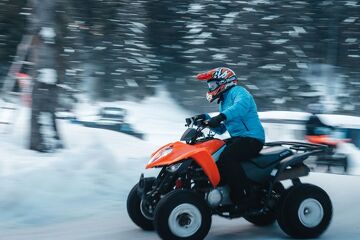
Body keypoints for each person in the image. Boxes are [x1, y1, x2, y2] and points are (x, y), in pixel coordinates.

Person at [194, 67, 265, 207]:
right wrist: (205, 119)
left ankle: (244, 195)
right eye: (209, 85)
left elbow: (240, 107)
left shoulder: (239, 92)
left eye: (213, 85)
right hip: (238, 139)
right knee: (213, 153)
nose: (211, 88)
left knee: (227, 158)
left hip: (252, 138)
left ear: (224, 82)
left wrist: (221, 116)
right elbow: (221, 129)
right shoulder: (223, 102)